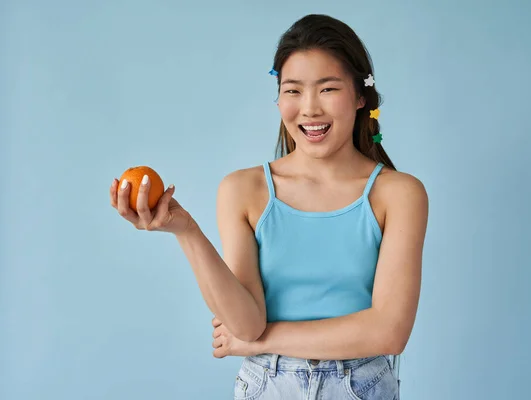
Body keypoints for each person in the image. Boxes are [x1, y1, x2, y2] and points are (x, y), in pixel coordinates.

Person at [110, 13, 428, 400]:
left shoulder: (399, 194)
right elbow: (246, 323)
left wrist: (261, 341)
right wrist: (185, 229)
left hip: (360, 387)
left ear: (361, 96)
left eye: (328, 89)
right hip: (268, 387)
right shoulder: (243, 190)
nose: (309, 109)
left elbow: (389, 333)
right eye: (293, 90)